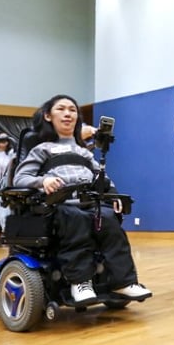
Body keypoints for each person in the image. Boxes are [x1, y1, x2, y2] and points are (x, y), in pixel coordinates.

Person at [12, 95, 151, 304]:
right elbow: (20, 178)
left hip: (88, 205)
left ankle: (124, 282)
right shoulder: (41, 149)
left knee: (109, 219)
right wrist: (43, 181)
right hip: (58, 206)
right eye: (61, 109)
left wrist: (113, 194)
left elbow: (101, 177)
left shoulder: (84, 153)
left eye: (72, 110)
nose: (68, 114)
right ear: (48, 116)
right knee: (75, 218)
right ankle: (80, 283)